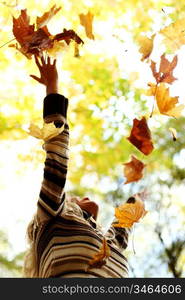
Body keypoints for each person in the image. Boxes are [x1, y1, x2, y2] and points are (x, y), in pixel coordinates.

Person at [24, 55, 132, 278]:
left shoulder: (110, 243)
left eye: (74, 198)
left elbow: (124, 223)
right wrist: (52, 88)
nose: (82, 197)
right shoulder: (52, 214)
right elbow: (57, 155)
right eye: (73, 198)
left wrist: (138, 199)